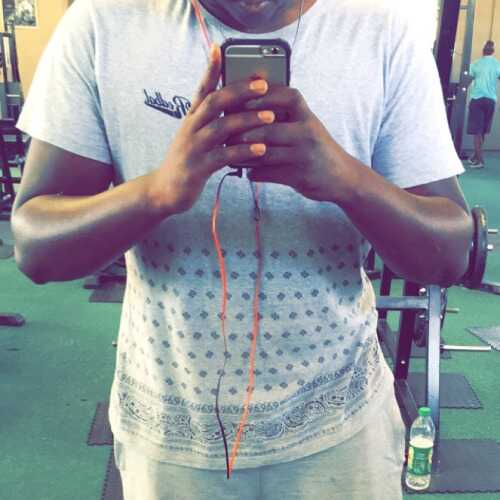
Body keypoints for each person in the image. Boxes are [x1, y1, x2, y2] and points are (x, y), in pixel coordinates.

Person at [12, 0, 473, 499]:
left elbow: (448, 253)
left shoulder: (382, 34)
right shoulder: (102, 24)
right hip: (172, 436)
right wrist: (156, 194)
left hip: (341, 426)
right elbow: (37, 246)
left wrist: (347, 180)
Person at [467, 40, 500, 168]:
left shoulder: (475, 64)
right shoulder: (497, 64)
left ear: (483, 50)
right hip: (490, 101)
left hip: (477, 100)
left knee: (477, 132)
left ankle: (480, 161)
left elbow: (468, 80)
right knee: (482, 131)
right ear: (493, 51)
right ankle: (475, 156)